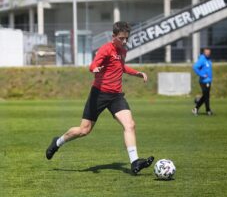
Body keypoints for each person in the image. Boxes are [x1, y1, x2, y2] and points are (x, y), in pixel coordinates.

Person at [46, 21, 154, 174]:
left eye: (126, 39)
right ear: (113, 36)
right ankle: (57, 142)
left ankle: (135, 162)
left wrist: (137, 73)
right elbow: (93, 65)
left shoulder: (123, 51)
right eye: (121, 38)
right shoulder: (105, 49)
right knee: (84, 130)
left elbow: (121, 67)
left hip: (116, 96)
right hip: (99, 94)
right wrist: (95, 69)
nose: (124, 41)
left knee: (130, 125)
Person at [192, 48, 213, 116]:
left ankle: (196, 108)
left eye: (209, 52)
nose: (208, 53)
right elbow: (195, 67)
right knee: (206, 96)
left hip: (208, 80)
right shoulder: (202, 59)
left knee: (206, 96)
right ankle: (208, 110)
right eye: (206, 52)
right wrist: (202, 74)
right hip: (204, 81)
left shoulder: (208, 59)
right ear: (204, 53)